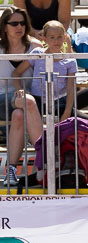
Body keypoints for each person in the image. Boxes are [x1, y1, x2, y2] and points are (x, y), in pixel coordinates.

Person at [21, 21, 88, 146]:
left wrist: (66, 113)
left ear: (65, 36)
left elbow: (71, 89)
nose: (56, 41)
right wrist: (22, 90)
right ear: (44, 38)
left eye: (60, 37)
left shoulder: (69, 60)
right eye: (52, 37)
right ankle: (32, 138)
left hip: (61, 102)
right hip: (39, 101)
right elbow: (16, 73)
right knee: (29, 115)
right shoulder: (37, 54)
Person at [0, 8, 42, 186]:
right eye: (14, 23)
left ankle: (10, 170)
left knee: (19, 114)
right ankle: (44, 161)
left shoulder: (35, 47)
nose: (20, 27)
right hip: (2, 99)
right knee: (28, 102)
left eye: (23, 23)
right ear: (4, 27)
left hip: (28, 101)